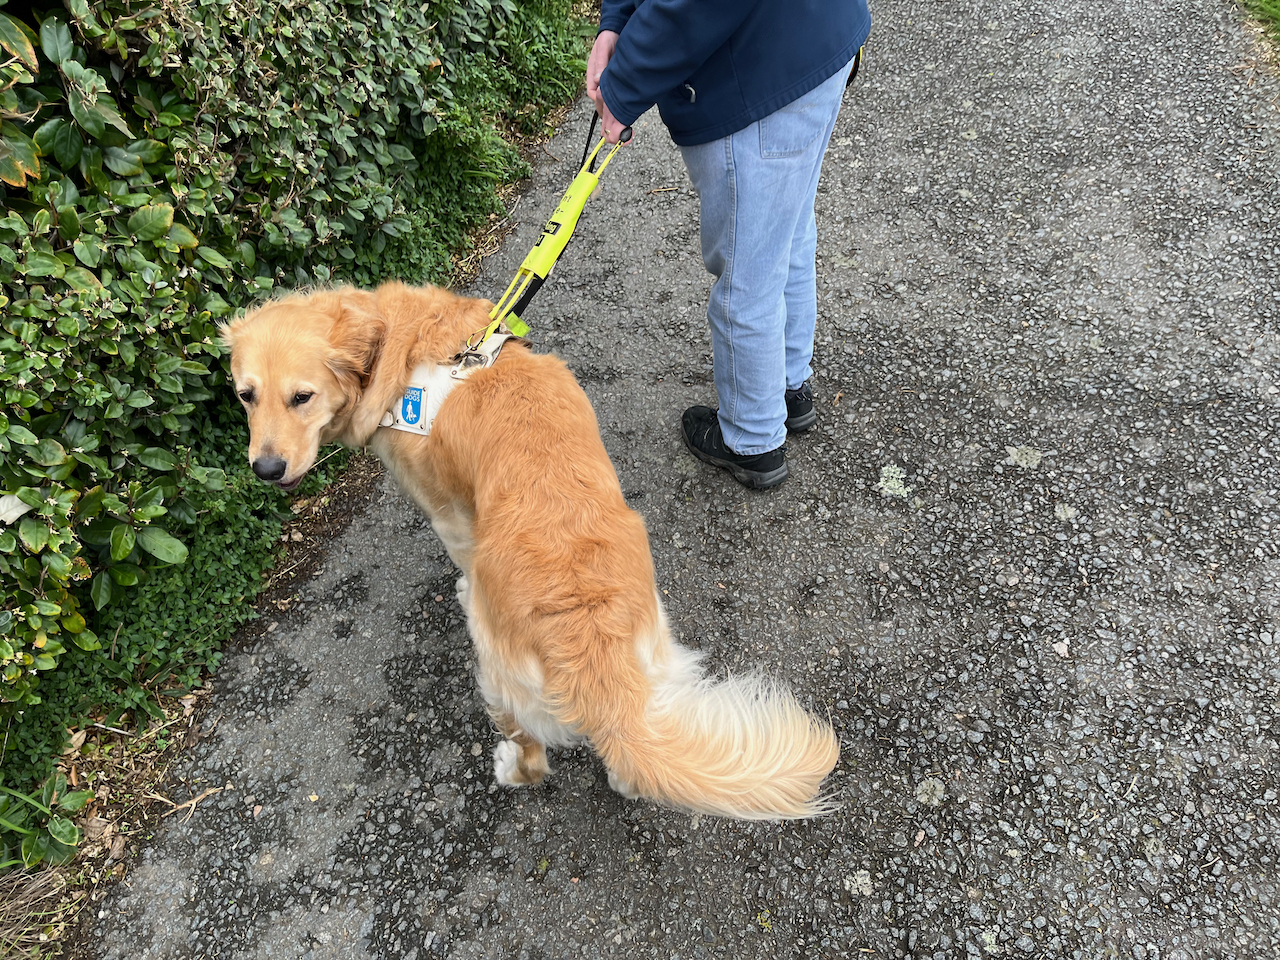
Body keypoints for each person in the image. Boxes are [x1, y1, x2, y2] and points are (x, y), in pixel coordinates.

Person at [587, 0, 871, 489]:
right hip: (816, 37)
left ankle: (753, 439)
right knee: (787, 226)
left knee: (748, 271)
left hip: (759, 76)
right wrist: (616, 19)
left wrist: (625, 83)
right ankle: (787, 387)